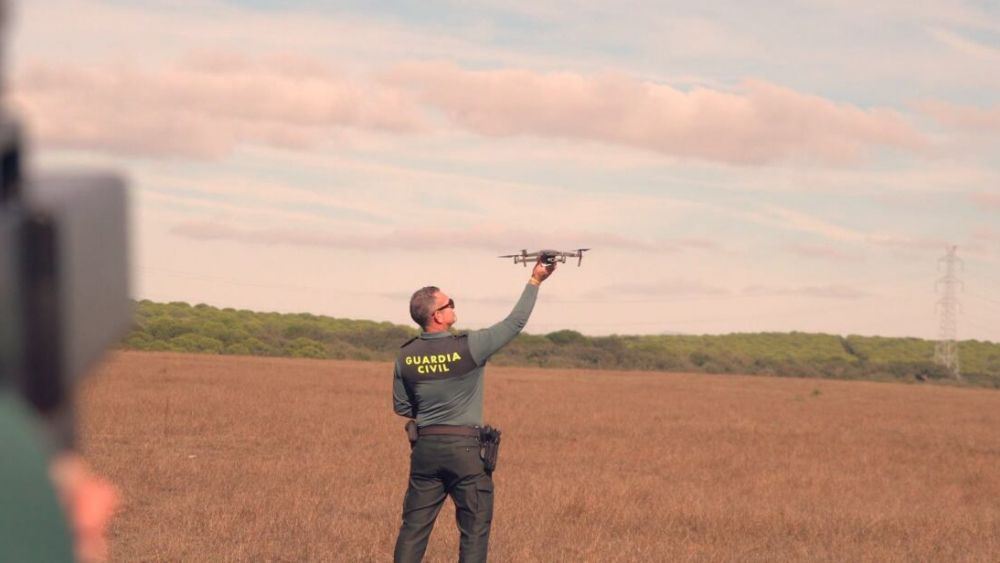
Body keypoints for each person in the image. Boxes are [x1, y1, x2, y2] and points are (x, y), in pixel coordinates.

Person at [392, 258, 556, 562]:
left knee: (413, 529)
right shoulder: (469, 346)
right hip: (466, 453)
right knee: (474, 531)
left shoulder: (406, 354)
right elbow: (514, 323)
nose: (454, 305)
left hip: (425, 450)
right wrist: (535, 281)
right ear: (437, 316)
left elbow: (402, 406)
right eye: (448, 303)